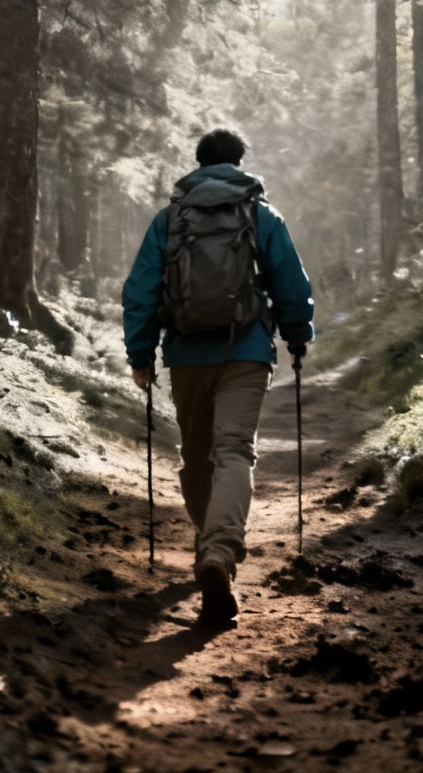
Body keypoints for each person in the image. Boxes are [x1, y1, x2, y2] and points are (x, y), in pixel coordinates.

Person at [123, 128, 316, 627]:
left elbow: (141, 290)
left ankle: (208, 543)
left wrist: (140, 355)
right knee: (234, 451)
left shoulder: (170, 220)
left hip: (186, 354)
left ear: (198, 163)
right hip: (246, 352)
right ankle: (219, 552)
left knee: (196, 456)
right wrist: (297, 334)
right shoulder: (260, 214)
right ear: (239, 163)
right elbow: (290, 281)